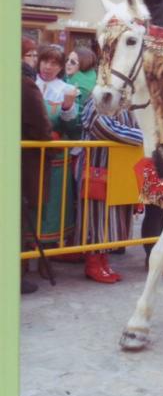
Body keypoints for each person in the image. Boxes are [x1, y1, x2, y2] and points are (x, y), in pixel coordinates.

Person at [74, 95, 143, 283]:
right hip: (97, 166)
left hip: (119, 168)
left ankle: (103, 260)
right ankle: (93, 263)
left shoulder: (127, 101)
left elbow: (138, 124)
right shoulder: (96, 99)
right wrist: (141, 137)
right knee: (96, 217)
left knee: (111, 217)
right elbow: (102, 127)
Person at [35, 45, 81, 246]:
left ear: (60, 67)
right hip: (29, 158)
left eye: (54, 63)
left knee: (52, 208)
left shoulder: (66, 90)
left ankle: (48, 255)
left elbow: (74, 132)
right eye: (45, 61)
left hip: (55, 160)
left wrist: (67, 107)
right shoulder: (27, 83)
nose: (48, 67)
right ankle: (23, 258)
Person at [21, 40, 53, 294]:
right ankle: (16, 274)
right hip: (24, 163)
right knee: (19, 216)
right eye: (30, 54)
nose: (34, 59)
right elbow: (42, 127)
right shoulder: (25, 83)